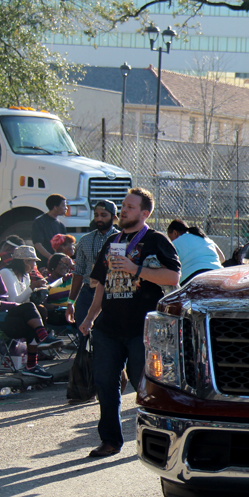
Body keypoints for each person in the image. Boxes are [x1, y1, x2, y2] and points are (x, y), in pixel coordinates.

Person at [79, 188, 181, 458]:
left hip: (140, 330)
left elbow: (172, 277)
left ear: (144, 213)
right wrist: (90, 317)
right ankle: (110, 440)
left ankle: (160, 441)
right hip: (108, 328)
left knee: (144, 387)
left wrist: (134, 268)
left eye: (131, 207)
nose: (124, 210)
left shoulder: (155, 240)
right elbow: (101, 283)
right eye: (123, 206)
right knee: (105, 384)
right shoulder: (112, 241)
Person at [0, 245, 64, 377]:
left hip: (17, 315)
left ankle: (31, 365)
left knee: (34, 318)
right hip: (3, 318)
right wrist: (31, 287)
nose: (34, 265)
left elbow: (25, 301)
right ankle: (43, 337)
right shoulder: (6, 273)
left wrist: (38, 291)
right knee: (30, 308)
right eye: (31, 261)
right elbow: (14, 300)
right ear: (22, 261)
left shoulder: (26, 276)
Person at [67, 201, 120, 333]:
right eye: (96, 215)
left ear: (114, 217)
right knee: (83, 335)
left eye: (103, 215)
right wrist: (70, 302)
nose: (99, 219)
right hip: (87, 293)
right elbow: (78, 272)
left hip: (112, 294)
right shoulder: (85, 240)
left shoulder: (121, 239)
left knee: (106, 338)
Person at [166, 219, 224, 284]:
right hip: (217, 274)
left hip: (191, 278)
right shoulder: (204, 237)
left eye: (170, 238)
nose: (171, 240)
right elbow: (222, 258)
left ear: (175, 233)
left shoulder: (175, 243)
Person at [32, 194, 68, 265]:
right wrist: (51, 258)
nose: (66, 208)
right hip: (43, 263)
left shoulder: (61, 225)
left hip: (58, 264)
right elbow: (38, 244)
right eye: (64, 205)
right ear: (55, 207)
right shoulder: (40, 221)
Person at [43, 253, 74, 324]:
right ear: (53, 265)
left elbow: (86, 274)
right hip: (58, 314)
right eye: (63, 264)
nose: (66, 267)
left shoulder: (72, 278)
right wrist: (59, 308)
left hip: (77, 312)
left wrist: (72, 265)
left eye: (67, 265)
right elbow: (43, 304)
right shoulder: (46, 283)